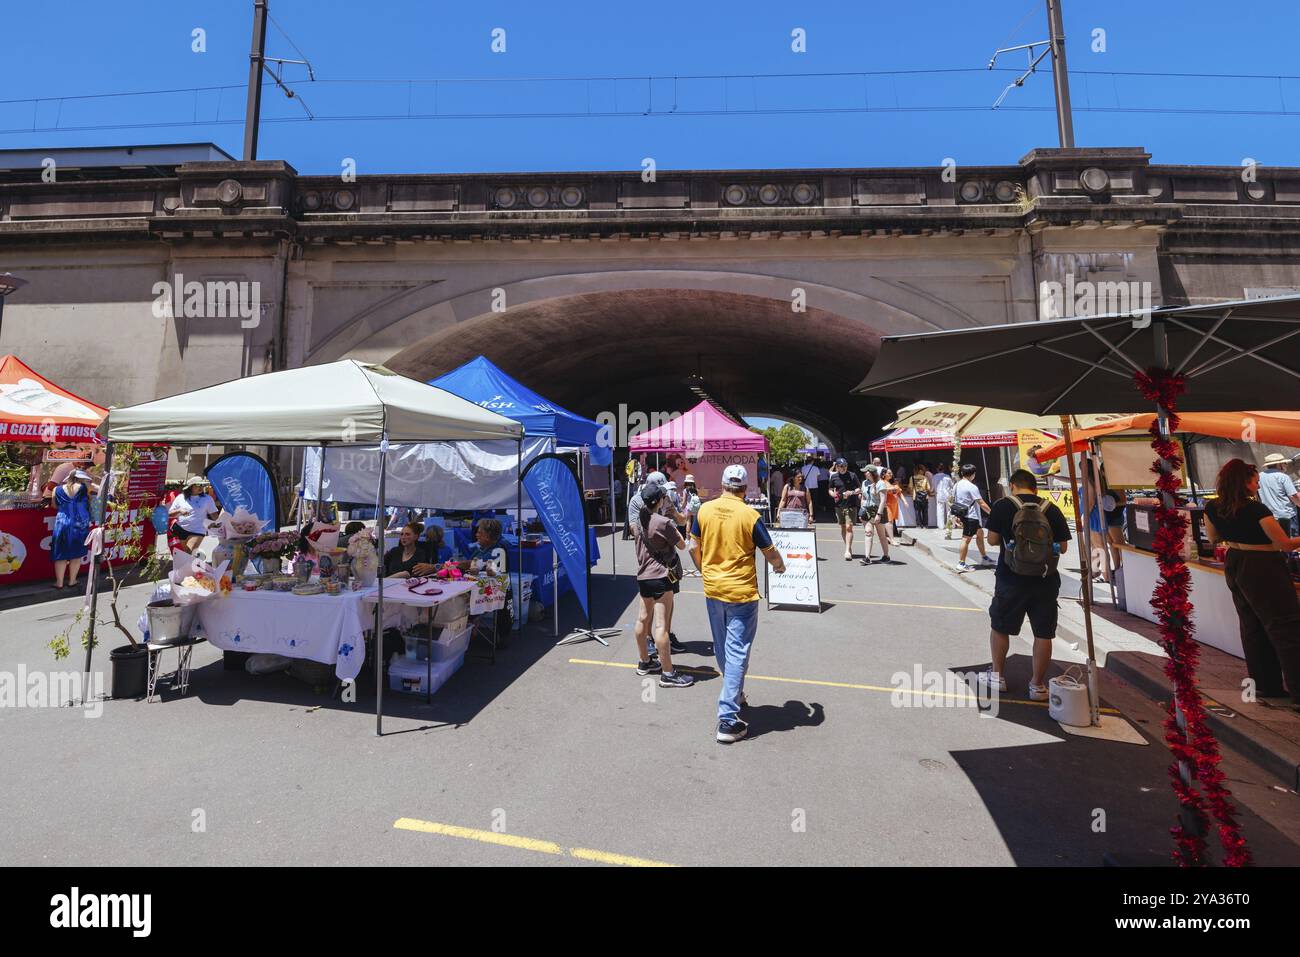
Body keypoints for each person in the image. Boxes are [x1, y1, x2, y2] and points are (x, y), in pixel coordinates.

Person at [689, 464, 785, 743]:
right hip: (741, 592)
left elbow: (693, 546)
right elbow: (769, 550)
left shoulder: (705, 510)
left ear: (722, 485)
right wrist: (780, 566)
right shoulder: (750, 514)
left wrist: (705, 570)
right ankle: (728, 719)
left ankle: (736, 692)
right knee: (737, 650)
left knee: (723, 648)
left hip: (713, 588)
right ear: (745, 488)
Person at [1203, 459, 1300, 710]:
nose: (1258, 484)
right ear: (1244, 482)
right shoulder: (1257, 510)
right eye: (1255, 480)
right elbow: (1283, 544)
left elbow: (1214, 538)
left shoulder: (1213, 507)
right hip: (1263, 565)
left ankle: (1266, 685)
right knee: (1285, 628)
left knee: (1252, 626)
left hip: (1235, 562)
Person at [980, 469, 1073, 700]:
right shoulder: (1050, 508)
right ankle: (1038, 685)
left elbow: (992, 540)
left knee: (1001, 626)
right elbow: (1063, 547)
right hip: (1045, 579)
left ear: (1012, 485)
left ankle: (998, 677)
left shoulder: (1003, 506)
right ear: (1035, 487)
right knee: (1043, 632)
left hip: (1010, 578)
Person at [631, 484, 694, 688]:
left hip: (644, 576)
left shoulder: (638, 522)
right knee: (661, 625)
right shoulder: (663, 522)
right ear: (659, 501)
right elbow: (682, 545)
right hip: (660, 576)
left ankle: (644, 661)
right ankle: (668, 672)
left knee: (642, 619)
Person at [628, 471, 687, 655]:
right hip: (650, 558)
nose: (665, 495)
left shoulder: (666, 496)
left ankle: (665, 638)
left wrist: (674, 514)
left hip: (668, 558)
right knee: (650, 607)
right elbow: (634, 529)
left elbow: (682, 521)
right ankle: (650, 640)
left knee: (668, 600)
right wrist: (660, 527)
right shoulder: (637, 501)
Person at [51, 469, 94, 589]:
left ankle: (59, 582)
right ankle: (72, 580)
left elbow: (54, 505)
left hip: (62, 523)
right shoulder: (84, 487)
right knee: (76, 554)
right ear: (81, 478)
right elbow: (101, 490)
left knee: (60, 553)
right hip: (79, 524)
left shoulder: (56, 489)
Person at [953, 464, 994, 571]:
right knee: (966, 539)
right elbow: (981, 502)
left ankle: (984, 557)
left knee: (980, 534)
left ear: (962, 473)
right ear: (973, 474)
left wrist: (957, 516)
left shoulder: (957, 485)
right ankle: (961, 563)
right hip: (971, 516)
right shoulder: (972, 487)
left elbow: (955, 501)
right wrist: (992, 513)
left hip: (964, 515)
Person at [167, 476, 218, 554]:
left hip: (198, 530)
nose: (201, 487)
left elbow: (214, 515)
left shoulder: (207, 499)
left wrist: (219, 523)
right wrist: (179, 510)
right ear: (190, 487)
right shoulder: (180, 497)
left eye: (202, 485)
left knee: (189, 553)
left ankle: (192, 562)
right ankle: (193, 563)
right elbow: (169, 514)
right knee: (182, 555)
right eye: (198, 485)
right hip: (180, 529)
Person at [1257, 452, 1300, 538]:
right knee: (1292, 542)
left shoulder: (1259, 476)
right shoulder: (1283, 476)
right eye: (1285, 463)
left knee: (1278, 541)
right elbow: (1293, 496)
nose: (1286, 465)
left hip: (1269, 516)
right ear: (1279, 464)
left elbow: (1257, 495)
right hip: (1287, 516)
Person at [828, 457, 860, 560]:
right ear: (837, 467)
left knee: (849, 527)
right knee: (842, 527)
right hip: (839, 505)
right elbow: (830, 489)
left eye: (845, 465)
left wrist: (852, 492)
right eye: (841, 466)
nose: (844, 467)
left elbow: (859, 489)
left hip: (850, 505)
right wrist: (832, 494)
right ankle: (848, 547)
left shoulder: (852, 475)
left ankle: (847, 551)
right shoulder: (834, 477)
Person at [860, 466, 890, 564]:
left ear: (871, 473)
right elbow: (863, 496)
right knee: (868, 532)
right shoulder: (864, 483)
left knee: (881, 535)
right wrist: (862, 507)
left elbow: (883, 500)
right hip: (868, 509)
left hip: (878, 510)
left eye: (866, 472)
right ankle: (867, 557)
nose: (864, 473)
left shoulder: (880, 483)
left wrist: (879, 514)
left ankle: (886, 555)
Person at [934, 462, 954, 539]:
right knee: (949, 510)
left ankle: (941, 525)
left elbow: (933, 487)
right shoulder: (947, 476)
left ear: (937, 469)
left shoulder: (934, 477)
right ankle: (950, 525)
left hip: (939, 495)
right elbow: (951, 485)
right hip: (947, 495)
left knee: (940, 510)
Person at [912, 465, 933, 529]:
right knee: (925, 511)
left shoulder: (912, 478)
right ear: (921, 470)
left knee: (917, 511)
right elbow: (928, 488)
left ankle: (919, 525)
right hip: (925, 496)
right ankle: (925, 525)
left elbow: (910, 487)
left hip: (915, 496)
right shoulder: (925, 478)